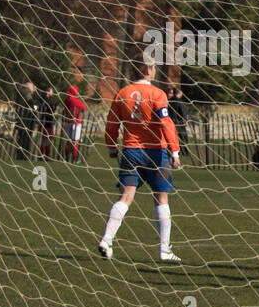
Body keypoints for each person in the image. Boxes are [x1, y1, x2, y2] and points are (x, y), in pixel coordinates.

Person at [97, 61, 182, 262]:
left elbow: (112, 123)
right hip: (156, 152)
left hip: (130, 150)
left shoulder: (122, 93)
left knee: (126, 197)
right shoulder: (158, 94)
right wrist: (175, 150)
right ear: (149, 70)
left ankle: (106, 240)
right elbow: (165, 122)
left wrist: (111, 145)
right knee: (161, 198)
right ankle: (164, 250)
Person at [12, 81, 36, 160]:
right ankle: (21, 155)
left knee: (25, 140)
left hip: (27, 123)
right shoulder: (25, 98)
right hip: (24, 122)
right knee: (23, 139)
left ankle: (23, 155)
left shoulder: (28, 99)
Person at [63, 85, 87, 163]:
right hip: (76, 123)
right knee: (75, 141)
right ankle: (74, 159)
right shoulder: (75, 101)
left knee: (68, 141)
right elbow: (83, 108)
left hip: (68, 122)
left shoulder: (66, 100)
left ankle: (66, 158)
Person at [37, 86, 59, 159]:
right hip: (46, 122)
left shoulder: (43, 99)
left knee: (46, 139)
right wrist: (54, 107)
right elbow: (48, 110)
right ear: (48, 92)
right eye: (51, 91)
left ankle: (44, 155)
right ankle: (44, 155)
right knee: (46, 139)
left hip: (45, 121)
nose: (52, 92)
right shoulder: (45, 100)